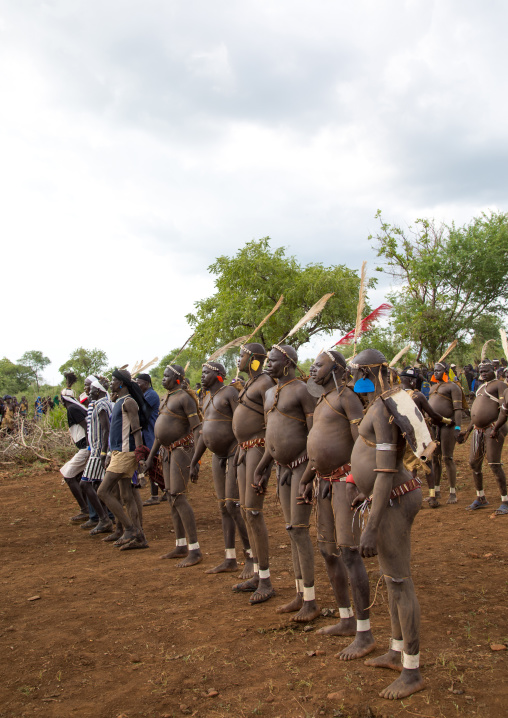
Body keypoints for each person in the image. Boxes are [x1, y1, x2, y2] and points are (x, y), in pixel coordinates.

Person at [349, 348, 427, 700]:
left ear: (371, 371)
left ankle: (412, 670)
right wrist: (363, 495)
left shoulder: (383, 407)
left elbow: (384, 472)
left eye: (358, 372)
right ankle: (397, 651)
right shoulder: (383, 401)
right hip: (388, 497)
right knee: (391, 578)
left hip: (394, 499)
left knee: (399, 581)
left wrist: (370, 524)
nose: (354, 379)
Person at [298, 350, 375, 657]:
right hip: (324, 483)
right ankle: (345, 619)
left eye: (318, 365)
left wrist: (358, 480)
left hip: (344, 482)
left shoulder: (348, 398)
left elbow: (360, 442)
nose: (312, 369)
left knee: (349, 552)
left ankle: (364, 631)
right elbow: (317, 445)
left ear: (337, 368)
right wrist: (307, 478)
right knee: (328, 551)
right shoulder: (321, 400)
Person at [253, 344, 319, 623]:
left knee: (300, 530)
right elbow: (272, 436)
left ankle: (311, 600)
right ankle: (299, 593)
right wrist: (261, 467)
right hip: (281, 469)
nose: (268, 364)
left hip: (302, 466)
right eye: (267, 360)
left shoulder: (303, 390)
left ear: (288, 363)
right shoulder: (269, 393)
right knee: (292, 530)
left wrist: (309, 474)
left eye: (273, 360)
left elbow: (315, 433)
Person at [190, 361, 253, 577]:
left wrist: (244, 449)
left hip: (234, 452)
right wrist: (194, 462)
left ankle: (251, 556)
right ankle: (229, 558)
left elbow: (241, 423)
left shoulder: (229, 394)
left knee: (233, 505)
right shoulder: (206, 398)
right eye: (202, 372)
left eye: (206, 372)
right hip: (217, 456)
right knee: (223, 508)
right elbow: (203, 434)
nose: (202, 375)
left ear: (219, 374)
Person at [142, 365, 203, 566]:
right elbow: (159, 434)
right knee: (171, 497)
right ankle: (180, 545)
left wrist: (195, 460)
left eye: (167, 376)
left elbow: (196, 429)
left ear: (178, 378)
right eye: (163, 376)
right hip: (166, 451)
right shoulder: (166, 398)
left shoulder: (185, 398)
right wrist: (151, 457)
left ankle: (194, 550)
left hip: (181, 450)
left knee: (178, 495)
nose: (163, 379)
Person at [231, 343, 276, 603]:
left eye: (242, 355)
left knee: (254, 512)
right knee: (245, 511)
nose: (239, 359)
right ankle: (258, 574)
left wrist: (265, 462)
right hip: (244, 450)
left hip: (258, 449)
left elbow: (272, 424)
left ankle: (267, 581)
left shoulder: (265, 383)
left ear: (255, 359)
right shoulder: (250, 382)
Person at [97, 369, 149, 550]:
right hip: (120, 453)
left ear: (121, 383)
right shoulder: (119, 401)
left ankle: (130, 529)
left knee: (102, 492)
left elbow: (136, 429)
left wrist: (140, 454)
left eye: (113, 380)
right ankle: (140, 538)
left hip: (126, 454)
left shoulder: (128, 402)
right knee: (126, 495)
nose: (110, 383)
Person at [459, 360, 508, 515]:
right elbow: (475, 414)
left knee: (494, 463)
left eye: (486, 371)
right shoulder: (481, 387)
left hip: (493, 428)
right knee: (474, 463)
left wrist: (497, 427)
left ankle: (505, 500)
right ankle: (480, 497)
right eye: (481, 371)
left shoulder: (499, 385)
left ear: (493, 369)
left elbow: (503, 410)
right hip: (478, 430)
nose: (483, 374)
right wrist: (467, 432)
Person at [399, 367, 452, 508]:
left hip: (404, 435)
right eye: (415, 381)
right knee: (427, 464)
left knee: (410, 467)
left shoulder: (395, 396)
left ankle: (413, 498)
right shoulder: (418, 396)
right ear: (411, 381)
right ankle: (433, 497)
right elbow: (433, 414)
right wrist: (447, 421)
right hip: (421, 435)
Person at [79, 379, 114, 534]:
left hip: (98, 451)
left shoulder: (100, 405)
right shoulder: (105, 403)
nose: (89, 392)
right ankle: (105, 517)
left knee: (85, 484)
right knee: (96, 485)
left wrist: (103, 452)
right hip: (98, 449)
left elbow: (106, 429)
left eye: (92, 390)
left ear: (98, 391)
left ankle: (104, 519)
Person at [428, 362, 463, 503]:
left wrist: (458, 428)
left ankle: (452, 492)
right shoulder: (432, 388)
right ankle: (436, 491)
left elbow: (458, 410)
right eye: (434, 370)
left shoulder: (453, 387)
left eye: (439, 370)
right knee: (435, 459)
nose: (436, 372)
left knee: (447, 458)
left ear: (446, 371)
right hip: (434, 426)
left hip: (448, 425)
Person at [60, 389, 90, 522]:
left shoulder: (72, 409)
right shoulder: (75, 407)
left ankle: (85, 510)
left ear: (62, 400)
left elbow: (86, 426)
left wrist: (90, 447)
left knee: (68, 474)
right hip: (85, 447)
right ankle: (88, 508)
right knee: (78, 476)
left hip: (85, 448)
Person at [134, 373, 164, 507]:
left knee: (153, 464)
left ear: (146, 383)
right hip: (147, 434)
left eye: (138, 382)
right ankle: (166, 491)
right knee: (152, 464)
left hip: (151, 434)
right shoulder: (146, 394)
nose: (137, 385)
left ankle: (155, 495)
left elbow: (140, 411)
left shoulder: (151, 395)